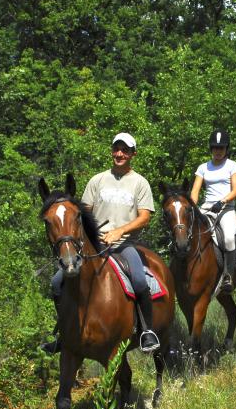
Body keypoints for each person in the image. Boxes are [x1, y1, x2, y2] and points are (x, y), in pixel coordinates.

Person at [44, 132, 160, 354]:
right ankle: (64, 333)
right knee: (57, 283)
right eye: (116, 149)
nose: (119, 154)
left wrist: (119, 231)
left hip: (124, 245)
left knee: (138, 280)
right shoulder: (97, 180)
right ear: (112, 151)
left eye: (125, 150)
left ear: (133, 154)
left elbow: (145, 217)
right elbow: (82, 213)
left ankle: (147, 331)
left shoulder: (140, 183)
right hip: (95, 247)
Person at [191, 130, 236, 294]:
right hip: (207, 207)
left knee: (227, 237)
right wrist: (192, 205)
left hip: (226, 208)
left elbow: (235, 190)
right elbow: (195, 190)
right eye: (215, 148)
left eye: (221, 148)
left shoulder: (232, 165)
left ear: (227, 148)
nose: (218, 151)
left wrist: (223, 201)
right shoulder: (203, 167)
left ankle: (228, 276)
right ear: (210, 149)